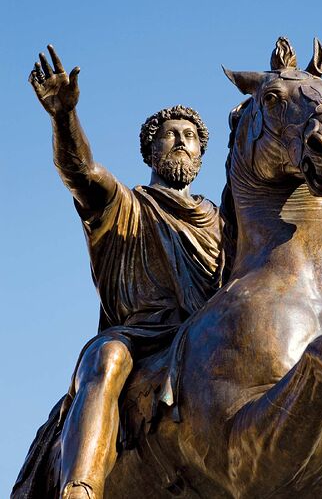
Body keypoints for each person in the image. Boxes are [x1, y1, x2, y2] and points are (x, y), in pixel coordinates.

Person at [24, 45, 223, 499]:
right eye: (170, 135)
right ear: (150, 150)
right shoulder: (123, 205)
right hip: (141, 334)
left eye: (190, 137)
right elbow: (79, 170)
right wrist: (62, 117)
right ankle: (80, 486)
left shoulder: (223, 220)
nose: (180, 141)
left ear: (200, 154)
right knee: (104, 358)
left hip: (209, 335)